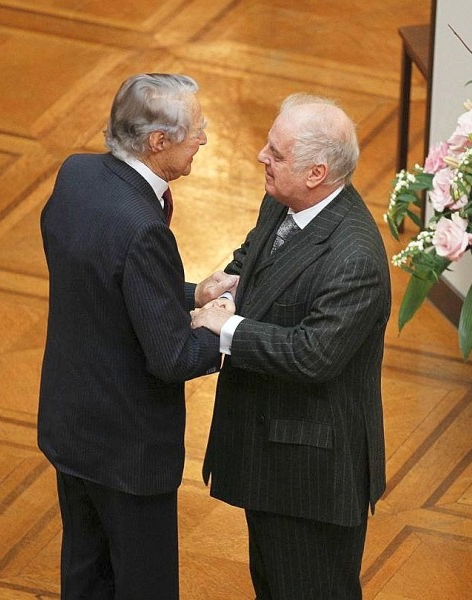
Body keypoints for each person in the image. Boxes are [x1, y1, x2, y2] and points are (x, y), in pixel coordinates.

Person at [38, 73, 236, 600]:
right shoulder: (142, 227)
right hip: (128, 451)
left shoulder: (76, 174)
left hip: (72, 427)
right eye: (196, 129)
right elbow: (170, 357)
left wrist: (188, 294)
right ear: (159, 142)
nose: (205, 138)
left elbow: (102, 280)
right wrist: (224, 329)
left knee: (85, 576)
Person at [191, 93, 391, 600]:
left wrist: (225, 328)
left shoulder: (355, 257)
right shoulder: (282, 200)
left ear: (317, 173)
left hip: (312, 477)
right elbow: (254, 256)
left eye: (276, 154)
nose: (261, 156)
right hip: (273, 457)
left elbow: (313, 355)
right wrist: (230, 282)